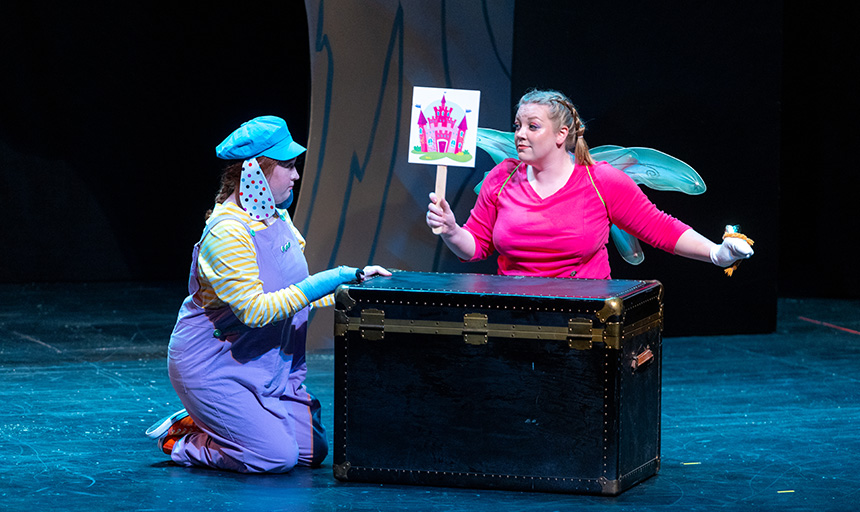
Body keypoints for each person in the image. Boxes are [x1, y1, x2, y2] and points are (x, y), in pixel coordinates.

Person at [145, 115, 390, 473]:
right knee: (275, 457)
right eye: (288, 166)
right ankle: (187, 439)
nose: (295, 175)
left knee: (312, 451)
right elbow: (256, 311)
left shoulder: (277, 217)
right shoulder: (227, 232)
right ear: (256, 171)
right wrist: (331, 277)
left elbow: (293, 293)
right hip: (214, 365)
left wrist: (347, 289)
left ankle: (230, 422)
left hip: (264, 361)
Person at [425, 89, 753, 278]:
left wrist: (717, 254)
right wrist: (453, 230)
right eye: (518, 125)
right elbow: (475, 247)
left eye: (533, 126)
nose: (520, 134)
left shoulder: (601, 181)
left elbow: (660, 229)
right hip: (516, 315)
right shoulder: (503, 177)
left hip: (584, 317)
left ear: (561, 135)